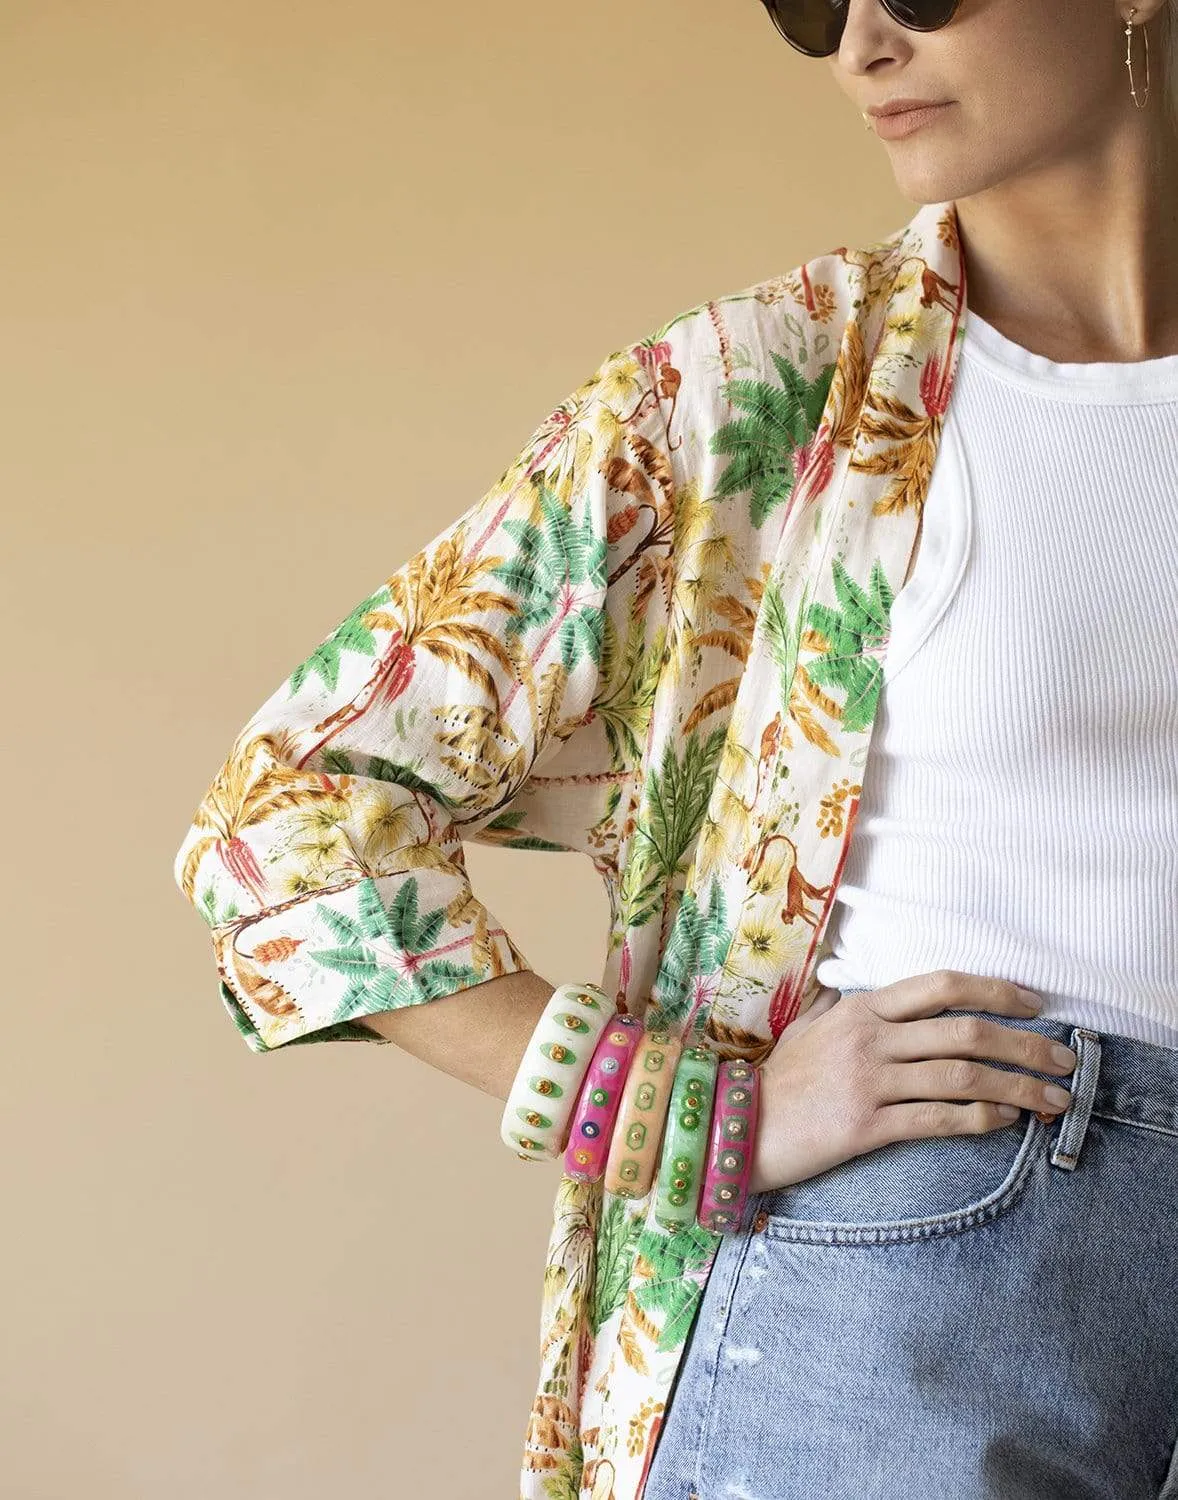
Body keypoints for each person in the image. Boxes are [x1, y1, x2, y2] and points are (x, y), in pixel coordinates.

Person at [171, 0, 1178, 1495]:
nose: (858, 48)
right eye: (805, 4)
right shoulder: (768, 388)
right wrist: (685, 1108)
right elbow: (285, 817)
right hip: (942, 1254)